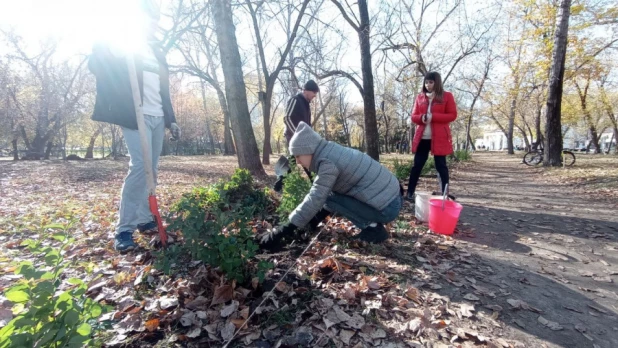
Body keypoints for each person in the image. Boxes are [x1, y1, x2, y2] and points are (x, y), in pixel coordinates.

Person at [88, 1, 180, 252]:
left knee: (152, 168)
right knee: (140, 167)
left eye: (155, 19)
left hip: (157, 116)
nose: (153, 24)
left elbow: (163, 90)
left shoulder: (157, 52)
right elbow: (95, 65)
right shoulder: (124, 46)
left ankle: (143, 218)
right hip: (135, 116)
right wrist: (110, 47)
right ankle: (124, 230)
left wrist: (171, 118)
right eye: (149, 19)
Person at [260, 122, 403, 250]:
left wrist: (280, 232)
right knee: (330, 197)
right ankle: (372, 225)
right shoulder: (330, 151)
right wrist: (312, 222)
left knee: (328, 197)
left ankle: (374, 230)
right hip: (391, 198)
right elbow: (328, 195)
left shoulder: (327, 164)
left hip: (387, 207)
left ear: (308, 150)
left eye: (298, 156)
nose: (298, 162)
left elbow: (317, 197)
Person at [405, 71, 457, 202]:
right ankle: (409, 193)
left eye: (431, 82)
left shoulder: (447, 96)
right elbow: (413, 116)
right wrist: (421, 118)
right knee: (417, 165)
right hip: (422, 137)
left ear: (437, 82)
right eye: (426, 82)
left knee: (441, 166)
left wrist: (434, 117)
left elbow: (452, 115)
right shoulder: (420, 97)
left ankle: (445, 194)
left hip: (439, 137)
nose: (428, 85)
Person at [273, 80, 320, 192]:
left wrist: (309, 135)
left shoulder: (306, 105)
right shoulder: (295, 100)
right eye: (314, 93)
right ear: (307, 91)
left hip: (302, 139)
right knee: (301, 161)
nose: (314, 96)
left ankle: (279, 183)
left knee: (300, 161)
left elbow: (306, 125)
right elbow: (287, 118)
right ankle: (315, 186)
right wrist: (297, 135)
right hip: (294, 138)